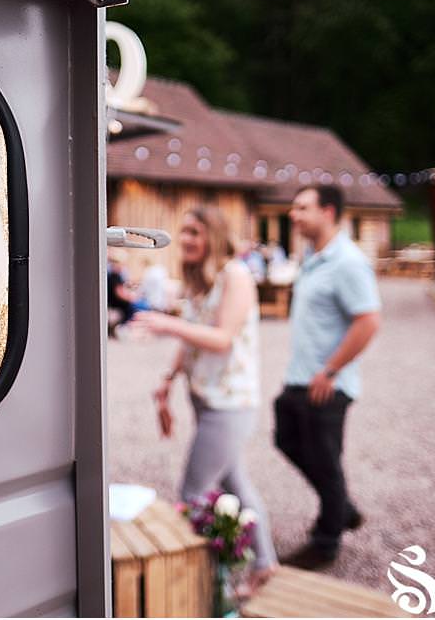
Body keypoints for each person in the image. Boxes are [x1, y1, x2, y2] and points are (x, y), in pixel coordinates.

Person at [132, 207, 279, 586]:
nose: (185, 240)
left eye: (194, 232)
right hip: (204, 397)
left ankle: (211, 583)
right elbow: (192, 336)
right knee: (235, 484)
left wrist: (167, 323)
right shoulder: (201, 281)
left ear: (213, 236)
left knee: (193, 494)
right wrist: (167, 380)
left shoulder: (236, 275)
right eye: (183, 233)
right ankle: (263, 564)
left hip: (230, 404)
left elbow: (221, 339)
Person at [275, 184, 381, 570]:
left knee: (326, 460)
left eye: (302, 207)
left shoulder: (347, 262)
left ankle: (325, 541)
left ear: (329, 212)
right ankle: (344, 508)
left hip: (327, 385)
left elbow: (368, 321)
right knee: (285, 437)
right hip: (299, 378)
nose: (293, 214)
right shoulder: (311, 255)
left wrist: (331, 370)